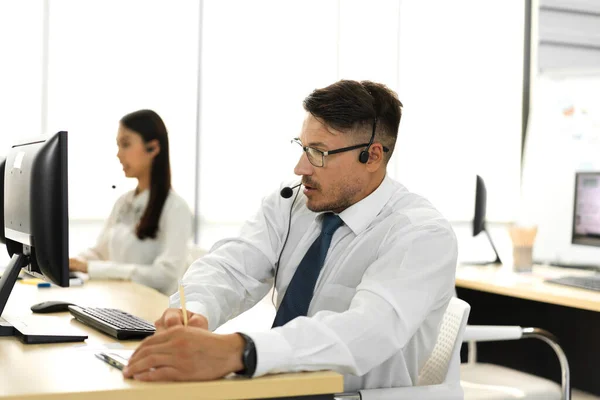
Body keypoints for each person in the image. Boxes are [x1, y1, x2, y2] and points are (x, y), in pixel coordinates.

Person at [123, 81, 458, 392]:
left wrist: (241, 350)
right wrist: (195, 311)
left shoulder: (420, 235)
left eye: (320, 153)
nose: (301, 168)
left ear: (372, 156)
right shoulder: (293, 201)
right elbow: (231, 266)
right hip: (277, 390)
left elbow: (367, 331)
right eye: (303, 147)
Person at [69, 109, 193, 295]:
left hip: (151, 311)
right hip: (118, 304)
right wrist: (69, 262)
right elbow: (100, 253)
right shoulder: (123, 202)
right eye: (118, 146)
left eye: (125, 144)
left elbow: (165, 276)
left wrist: (90, 268)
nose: (119, 155)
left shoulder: (176, 208)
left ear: (153, 148)